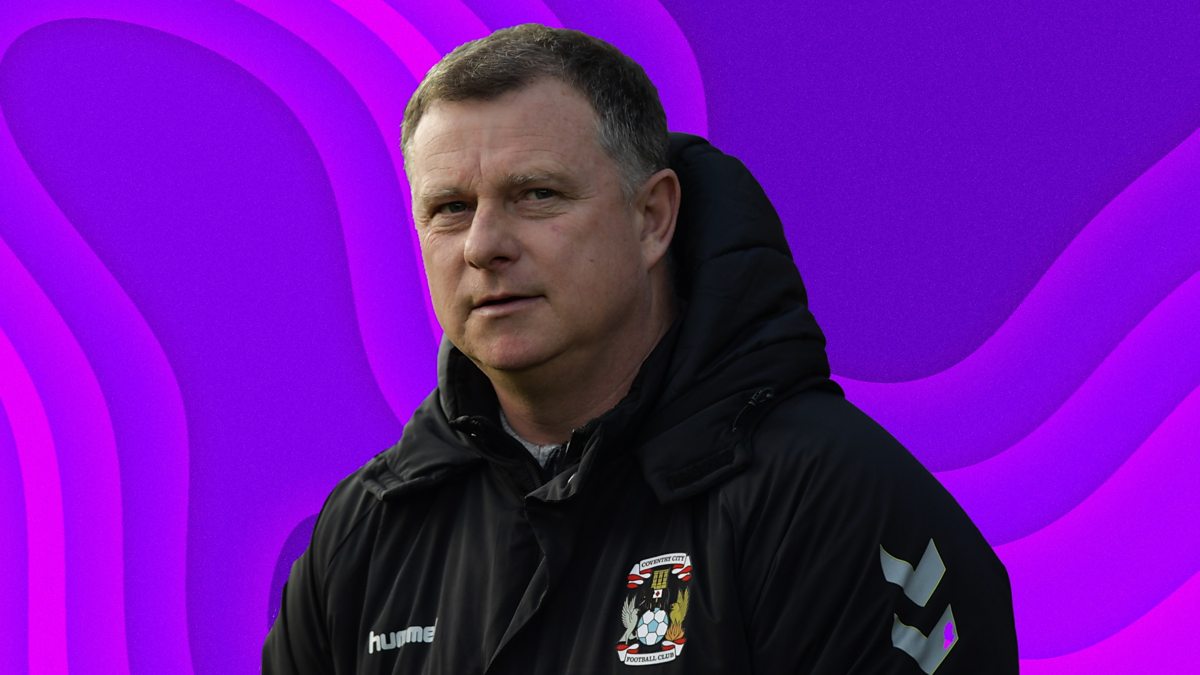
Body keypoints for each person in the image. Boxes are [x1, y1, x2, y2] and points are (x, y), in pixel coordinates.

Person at [263, 24, 1018, 674]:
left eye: (537, 195)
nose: (484, 245)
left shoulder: (838, 503)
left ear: (653, 217)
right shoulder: (363, 537)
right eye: (451, 208)